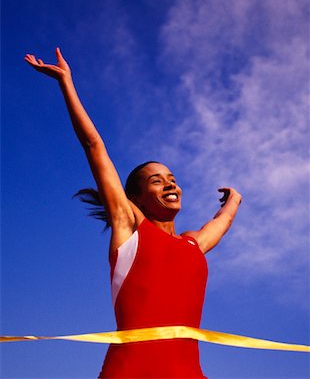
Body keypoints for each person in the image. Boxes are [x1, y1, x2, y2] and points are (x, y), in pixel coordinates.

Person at [24, 48, 242, 379]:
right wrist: (66, 83)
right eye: (157, 181)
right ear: (135, 198)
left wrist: (235, 199)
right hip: (131, 371)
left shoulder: (192, 245)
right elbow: (94, 146)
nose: (170, 184)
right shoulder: (131, 229)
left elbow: (221, 223)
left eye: (173, 179)